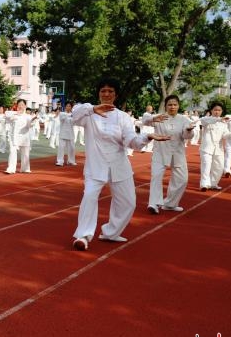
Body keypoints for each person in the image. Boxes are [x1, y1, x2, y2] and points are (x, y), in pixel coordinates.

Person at [71, 78, 168, 251]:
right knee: (89, 197)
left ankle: (110, 232)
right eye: (103, 91)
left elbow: (132, 142)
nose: (106, 94)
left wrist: (148, 137)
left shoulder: (123, 117)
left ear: (116, 95)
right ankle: (83, 236)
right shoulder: (88, 113)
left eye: (110, 91)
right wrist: (92, 109)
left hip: (119, 164)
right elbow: (74, 115)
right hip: (96, 166)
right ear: (98, 93)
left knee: (128, 202)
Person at [142, 95, 195, 214]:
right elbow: (144, 121)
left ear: (178, 106)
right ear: (165, 106)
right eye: (169, 104)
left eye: (175, 104)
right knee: (156, 176)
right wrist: (153, 118)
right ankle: (154, 204)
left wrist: (189, 130)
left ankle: (170, 204)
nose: (172, 107)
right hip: (160, 152)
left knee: (182, 179)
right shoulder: (160, 117)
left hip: (177, 152)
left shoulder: (184, 119)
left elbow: (187, 137)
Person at [198, 102, 231, 191]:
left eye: (219, 110)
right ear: (211, 110)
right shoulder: (206, 119)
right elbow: (205, 121)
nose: (217, 112)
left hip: (218, 148)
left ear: (222, 111)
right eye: (215, 110)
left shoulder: (223, 123)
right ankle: (204, 184)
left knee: (219, 167)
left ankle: (213, 183)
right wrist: (219, 119)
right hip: (206, 148)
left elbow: (225, 135)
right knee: (206, 166)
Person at [4, 99, 37, 174]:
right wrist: (16, 112)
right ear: (17, 106)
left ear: (25, 106)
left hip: (24, 137)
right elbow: (6, 114)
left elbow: (29, 125)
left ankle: (25, 168)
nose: (21, 106)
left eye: (22, 105)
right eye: (19, 105)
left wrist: (32, 120)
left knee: (25, 153)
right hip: (14, 137)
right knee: (13, 152)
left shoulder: (28, 116)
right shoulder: (12, 114)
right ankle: (11, 169)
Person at [56, 102, 76, 166]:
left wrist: (73, 115)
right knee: (61, 148)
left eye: (69, 106)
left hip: (70, 133)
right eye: (67, 106)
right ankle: (60, 161)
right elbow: (62, 119)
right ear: (65, 107)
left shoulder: (73, 115)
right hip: (63, 133)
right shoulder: (62, 113)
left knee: (72, 148)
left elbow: (74, 122)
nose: (68, 107)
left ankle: (71, 161)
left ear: (71, 107)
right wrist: (70, 115)